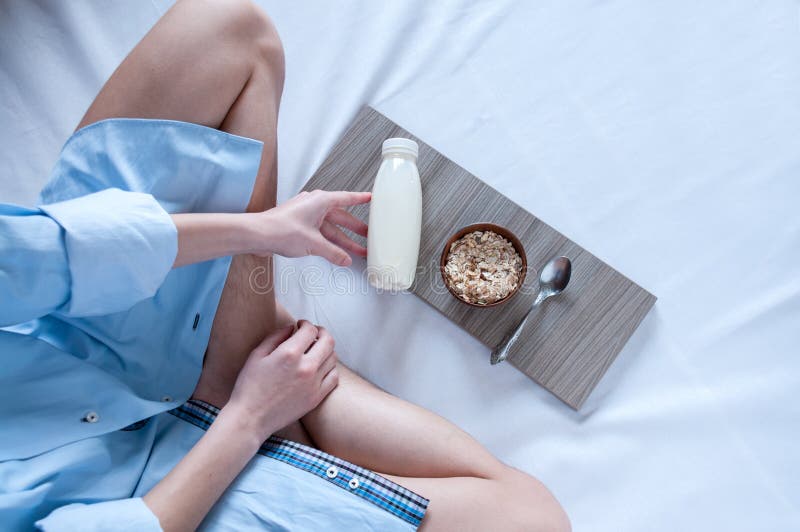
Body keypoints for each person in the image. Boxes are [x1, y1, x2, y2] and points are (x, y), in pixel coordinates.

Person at [0, 0, 570, 530]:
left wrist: (258, 231)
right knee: (531, 517)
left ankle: (265, 357)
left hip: (95, 344)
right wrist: (249, 418)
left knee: (227, 31)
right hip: (173, 497)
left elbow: (40, 256)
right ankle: (271, 377)